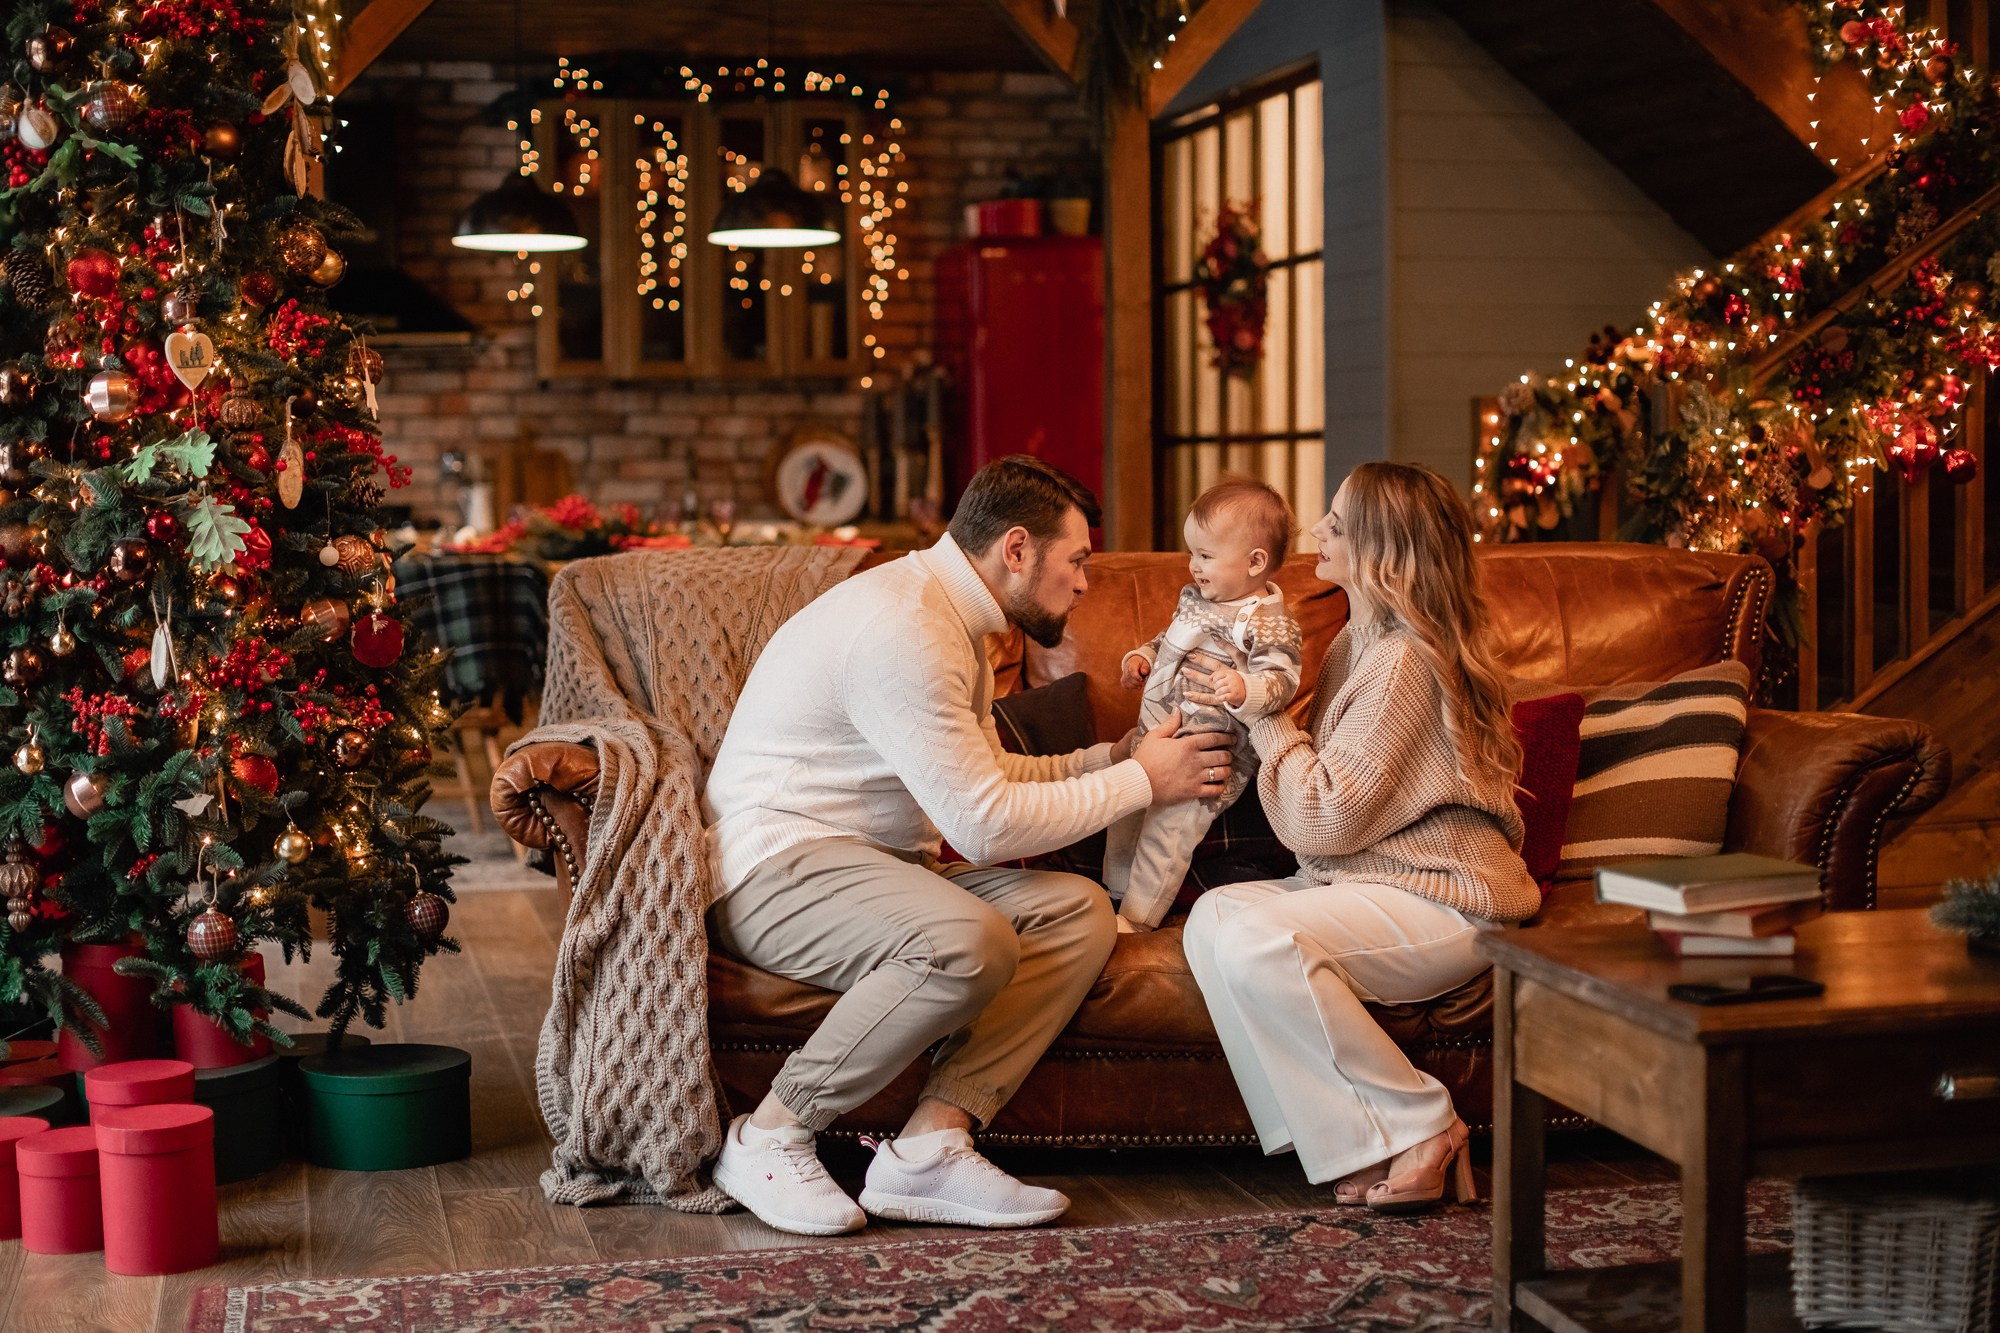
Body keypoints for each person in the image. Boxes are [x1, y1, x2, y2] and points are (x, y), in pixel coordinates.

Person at [701, 454, 1236, 1236]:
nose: (1087, 581)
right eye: (1077, 559)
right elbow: (981, 827)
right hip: (776, 869)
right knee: (966, 939)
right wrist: (1143, 785)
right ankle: (769, 1133)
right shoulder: (906, 627)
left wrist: (1108, 761)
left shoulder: (949, 617)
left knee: (1076, 910)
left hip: (874, 867)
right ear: (1015, 548)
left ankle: (929, 1146)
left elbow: (985, 773)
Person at [1179, 461, 1539, 1213]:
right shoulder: (1358, 642)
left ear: (1380, 548)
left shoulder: (1404, 657)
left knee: (1256, 943)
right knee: (1213, 921)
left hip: (1449, 899)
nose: (1314, 532)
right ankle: (1360, 1135)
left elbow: (1324, 817)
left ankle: (1424, 1125)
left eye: (1336, 525)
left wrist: (1264, 715)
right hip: (1374, 884)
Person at [1105, 479, 1303, 931]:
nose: (1194, 566)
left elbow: (1282, 679)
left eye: (1207, 556)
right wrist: (1143, 655)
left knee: (1166, 834)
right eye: (1193, 553)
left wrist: (1243, 687)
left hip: (1204, 755)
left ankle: (1135, 920)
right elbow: (1169, 640)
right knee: (1123, 810)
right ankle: (1115, 892)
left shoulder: (1269, 621)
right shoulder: (1196, 600)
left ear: (1256, 562)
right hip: (1154, 736)